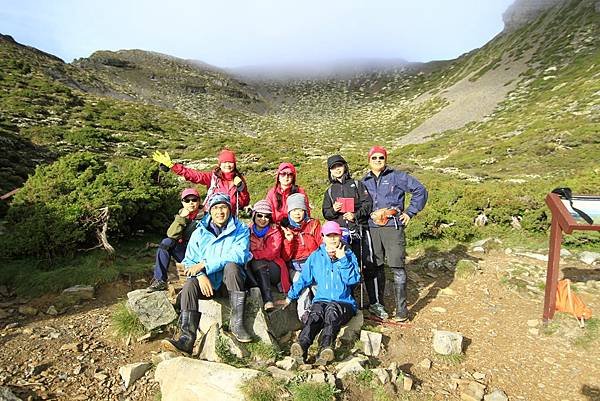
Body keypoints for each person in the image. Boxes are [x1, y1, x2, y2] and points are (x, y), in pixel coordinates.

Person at [161, 193, 253, 354]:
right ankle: (186, 339)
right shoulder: (200, 232)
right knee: (189, 284)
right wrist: (200, 275)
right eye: (215, 208)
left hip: (229, 283)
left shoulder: (241, 229)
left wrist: (205, 265)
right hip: (207, 285)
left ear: (230, 209)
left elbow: (239, 255)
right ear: (210, 211)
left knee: (232, 266)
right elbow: (189, 261)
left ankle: (237, 324)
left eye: (223, 207)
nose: (220, 212)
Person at [362, 146, 428, 322]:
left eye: (381, 157)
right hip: (372, 228)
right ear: (369, 160)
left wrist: (410, 212)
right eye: (374, 158)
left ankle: (401, 311)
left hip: (393, 226)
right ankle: (377, 305)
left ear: (385, 159)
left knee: (397, 267)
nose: (377, 160)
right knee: (374, 267)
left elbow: (420, 190)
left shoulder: (397, 176)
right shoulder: (364, 181)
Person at [286, 221, 360, 366]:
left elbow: (354, 280)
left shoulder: (349, 255)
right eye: (329, 235)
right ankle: (302, 346)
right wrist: (290, 297)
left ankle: (326, 347)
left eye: (335, 235)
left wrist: (342, 259)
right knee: (315, 313)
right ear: (322, 237)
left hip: (344, 302)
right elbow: (304, 279)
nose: (332, 239)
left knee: (332, 312)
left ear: (340, 236)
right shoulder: (315, 257)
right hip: (322, 300)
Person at [322, 154, 373, 307]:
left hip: (358, 230)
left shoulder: (357, 185)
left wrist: (355, 215)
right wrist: (333, 210)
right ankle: (347, 299)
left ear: (345, 167)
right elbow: (326, 212)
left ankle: (371, 301)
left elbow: (368, 205)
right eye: (333, 167)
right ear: (330, 171)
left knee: (363, 263)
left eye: (339, 166)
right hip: (341, 233)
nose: (337, 169)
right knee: (343, 263)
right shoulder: (330, 191)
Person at [152, 149, 250, 215]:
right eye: (224, 162)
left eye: (230, 162)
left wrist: (242, 188)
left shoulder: (239, 179)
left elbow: (244, 202)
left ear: (234, 164)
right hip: (211, 216)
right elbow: (194, 175)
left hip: (230, 218)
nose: (227, 165)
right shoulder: (213, 177)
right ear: (220, 164)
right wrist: (172, 166)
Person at [148, 188, 203, 292]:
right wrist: (181, 218)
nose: (191, 203)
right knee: (166, 243)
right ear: (182, 202)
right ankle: (160, 280)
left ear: (199, 201)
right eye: (187, 200)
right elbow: (171, 234)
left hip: (199, 255)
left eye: (194, 200)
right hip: (184, 252)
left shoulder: (206, 217)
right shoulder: (181, 215)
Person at [281, 193, 321, 322]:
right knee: (301, 284)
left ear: (305, 210)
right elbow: (286, 257)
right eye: (293, 210)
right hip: (295, 266)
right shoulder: (285, 229)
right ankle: (304, 314)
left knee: (317, 284)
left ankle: (321, 310)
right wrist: (289, 241)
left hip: (314, 262)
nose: (297, 213)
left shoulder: (314, 224)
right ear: (289, 212)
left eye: (300, 210)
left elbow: (321, 244)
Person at [248, 199, 291, 311]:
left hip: (274, 268)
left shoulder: (275, 231)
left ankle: (268, 300)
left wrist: (254, 254)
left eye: (266, 216)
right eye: (259, 215)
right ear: (254, 215)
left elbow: (272, 252)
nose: (263, 219)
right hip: (254, 267)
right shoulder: (247, 231)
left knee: (257, 262)